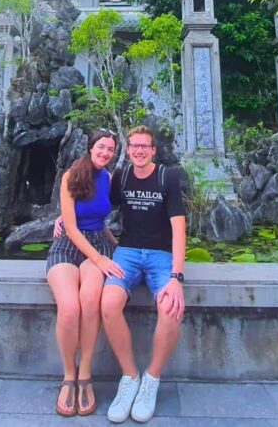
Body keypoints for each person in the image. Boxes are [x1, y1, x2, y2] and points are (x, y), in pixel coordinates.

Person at [102, 125, 187, 424]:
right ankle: (130, 377)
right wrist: (67, 216)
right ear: (128, 148)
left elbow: (178, 228)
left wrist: (176, 278)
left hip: (161, 256)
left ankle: (151, 379)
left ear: (153, 150)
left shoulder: (169, 177)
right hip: (126, 253)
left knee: (171, 309)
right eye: (134, 146)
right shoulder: (120, 176)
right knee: (108, 304)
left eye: (145, 146)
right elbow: (99, 208)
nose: (139, 150)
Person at [46, 129, 122, 417]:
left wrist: (118, 249)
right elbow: (72, 226)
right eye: (101, 147)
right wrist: (99, 259)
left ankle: (85, 374)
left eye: (110, 149)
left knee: (91, 302)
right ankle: (69, 374)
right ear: (91, 147)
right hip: (68, 245)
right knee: (69, 308)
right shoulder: (71, 176)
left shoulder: (109, 178)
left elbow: (100, 221)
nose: (105, 153)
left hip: (99, 244)